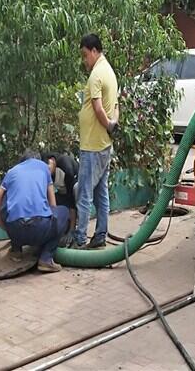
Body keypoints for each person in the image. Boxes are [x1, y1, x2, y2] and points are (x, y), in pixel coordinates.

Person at [71, 33, 120, 250]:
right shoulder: (109, 72)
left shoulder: (96, 75)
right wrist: (113, 125)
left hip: (92, 145)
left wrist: (108, 125)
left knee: (84, 193)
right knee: (101, 193)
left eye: (85, 55)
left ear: (93, 50)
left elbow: (99, 108)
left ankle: (80, 239)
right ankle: (100, 235)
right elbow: (116, 107)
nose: (84, 61)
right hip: (103, 144)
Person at [0, 150, 69, 273]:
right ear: (37, 160)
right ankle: (46, 258)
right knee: (63, 211)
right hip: (40, 228)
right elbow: (53, 205)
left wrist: (9, 231)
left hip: (15, 231)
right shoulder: (44, 168)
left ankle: (16, 251)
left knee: (8, 203)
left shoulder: (11, 172)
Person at [41, 151, 78, 244]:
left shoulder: (65, 167)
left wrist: (71, 230)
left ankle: (75, 231)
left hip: (76, 189)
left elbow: (71, 201)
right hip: (62, 191)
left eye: (47, 168)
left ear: (52, 160)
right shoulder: (47, 173)